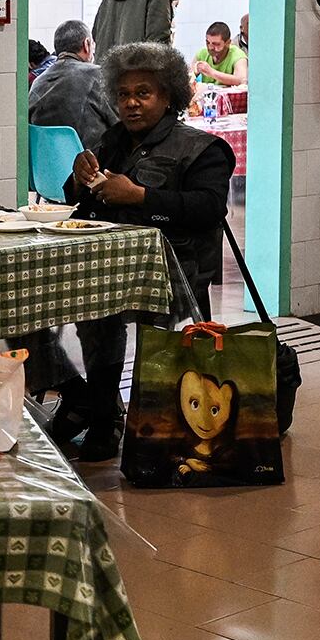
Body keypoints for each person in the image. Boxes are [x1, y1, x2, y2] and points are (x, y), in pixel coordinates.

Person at [55, 42, 233, 460]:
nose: (131, 103)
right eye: (123, 94)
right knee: (96, 326)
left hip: (175, 269)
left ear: (168, 96)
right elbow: (77, 198)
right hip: (108, 267)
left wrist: (140, 196)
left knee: (156, 339)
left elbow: (209, 209)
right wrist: (79, 179)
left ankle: (149, 426)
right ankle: (103, 417)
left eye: (143, 93)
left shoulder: (204, 148)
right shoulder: (113, 140)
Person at [27, 18, 113, 152]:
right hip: (93, 166)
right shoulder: (97, 75)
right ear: (87, 44)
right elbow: (121, 124)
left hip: (45, 168)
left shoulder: (37, 82)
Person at [193, 21, 247, 87]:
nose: (210, 47)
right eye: (207, 42)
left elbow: (241, 80)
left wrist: (211, 72)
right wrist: (193, 75)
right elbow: (189, 76)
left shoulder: (238, 56)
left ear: (228, 43)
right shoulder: (202, 54)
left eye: (216, 44)